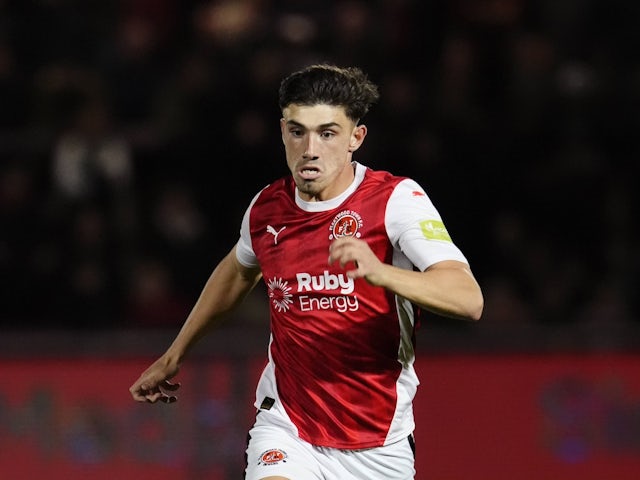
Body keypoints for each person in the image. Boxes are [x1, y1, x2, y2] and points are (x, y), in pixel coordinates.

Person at [129, 64, 483, 480]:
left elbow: (468, 298)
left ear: (356, 138)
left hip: (378, 444)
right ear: (282, 132)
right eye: (298, 132)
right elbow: (237, 272)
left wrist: (382, 273)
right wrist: (175, 355)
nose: (310, 148)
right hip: (287, 426)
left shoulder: (396, 201)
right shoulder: (266, 209)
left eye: (327, 133)